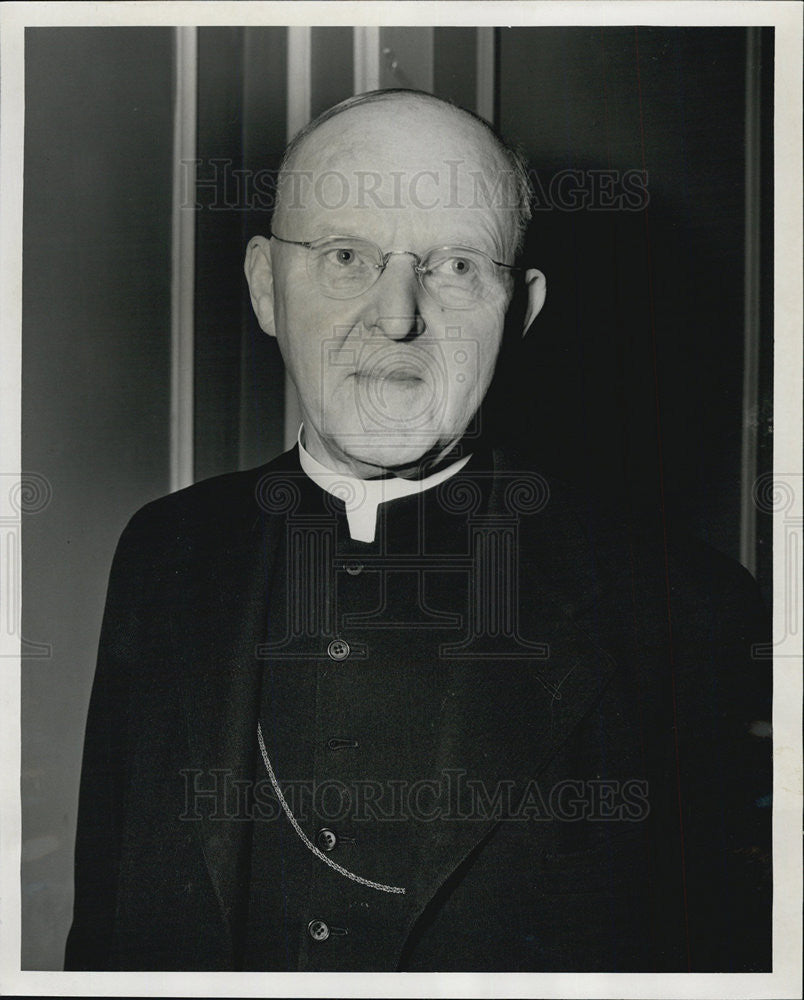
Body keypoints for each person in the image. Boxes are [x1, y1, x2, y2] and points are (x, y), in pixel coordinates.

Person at [65, 89, 771, 972]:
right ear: (264, 287)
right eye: (346, 255)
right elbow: (102, 940)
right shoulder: (163, 553)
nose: (397, 317)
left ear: (520, 312)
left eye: (458, 266)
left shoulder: (686, 612)